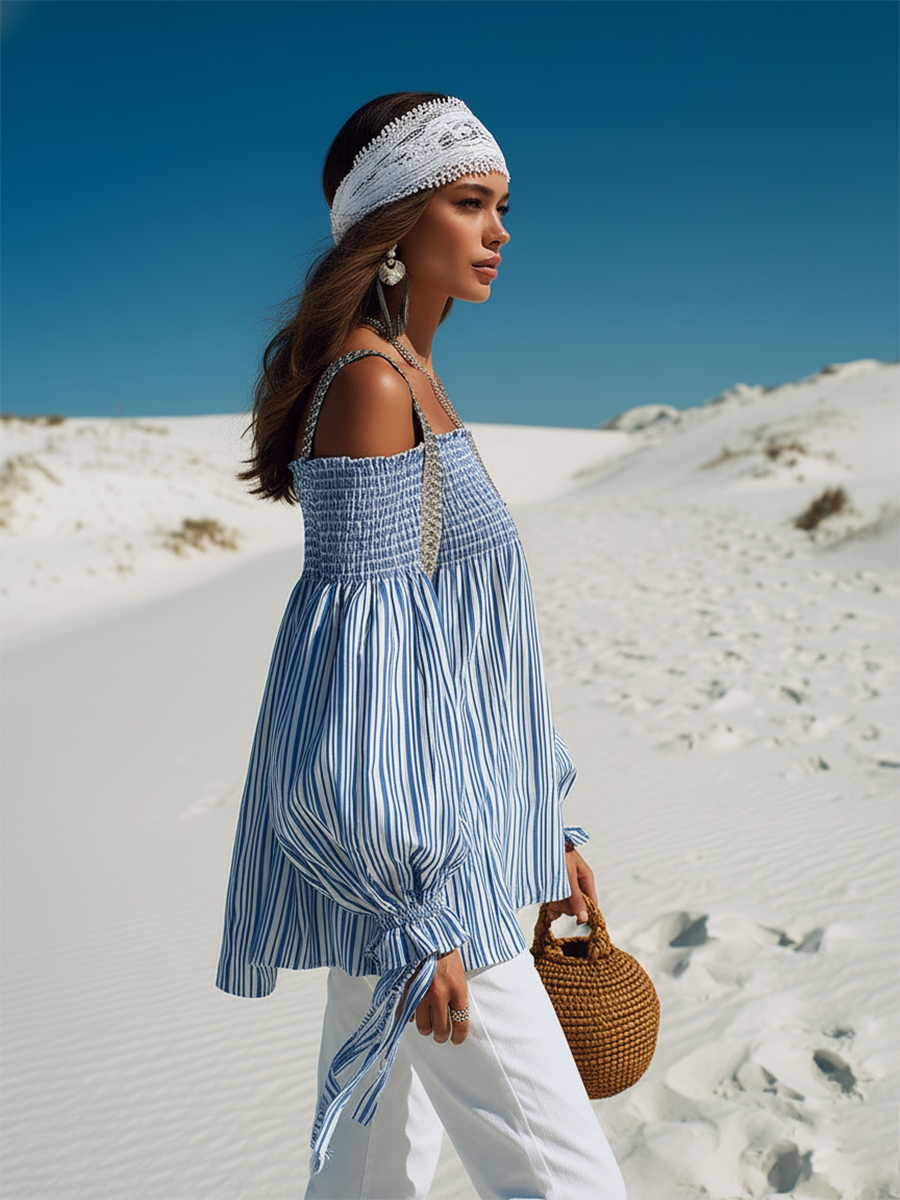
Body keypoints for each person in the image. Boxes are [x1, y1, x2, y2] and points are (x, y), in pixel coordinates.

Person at [216, 92, 627, 1200]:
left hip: (450, 857)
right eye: (469, 202)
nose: (499, 230)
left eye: (502, 204)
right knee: (569, 1184)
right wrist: (416, 910)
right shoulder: (371, 385)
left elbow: (468, 659)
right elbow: (358, 677)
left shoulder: (417, 379)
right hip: (429, 886)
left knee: (365, 1166)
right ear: (393, 224)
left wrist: (549, 821)